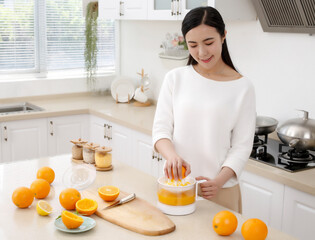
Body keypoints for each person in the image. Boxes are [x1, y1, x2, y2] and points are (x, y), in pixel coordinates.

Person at [152, 6, 256, 213]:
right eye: (193, 45)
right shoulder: (175, 78)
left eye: (209, 42)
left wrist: (217, 182)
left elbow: (242, 147)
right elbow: (161, 131)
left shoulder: (243, 87)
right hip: (177, 187)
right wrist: (172, 156)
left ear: (223, 36)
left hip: (220, 191)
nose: (202, 52)